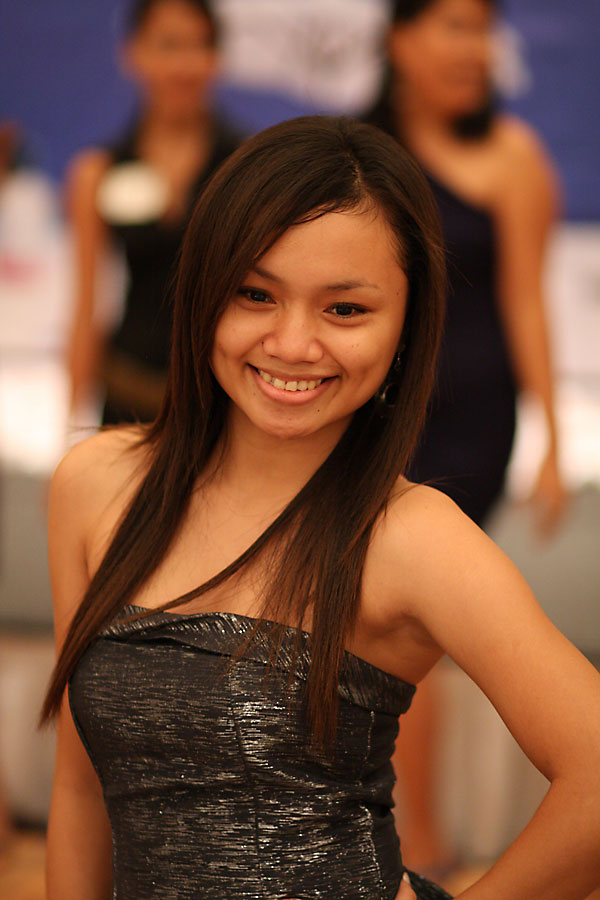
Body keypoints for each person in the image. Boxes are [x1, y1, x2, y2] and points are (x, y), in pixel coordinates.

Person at [41, 116, 600, 900]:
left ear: (406, 324)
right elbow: (80, 787)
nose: (293, 344)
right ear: (203, 292)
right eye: (255, 294)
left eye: (345, 310)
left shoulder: (411, 537)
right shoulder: (96, 484)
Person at [365, 0, 569, 872]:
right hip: (374, 410)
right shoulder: (360, 153)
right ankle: (383, 839)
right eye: (452, 25)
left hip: (472, 424)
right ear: (399, 40)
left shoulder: (514, 155)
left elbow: (527, 300)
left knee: (413, 622)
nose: (472, 46)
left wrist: (554, 434)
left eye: (482, 28)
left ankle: (421, 848)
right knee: (365, 616)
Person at [66, 0, 239, 424]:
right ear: (133, 53)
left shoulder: (248, 166)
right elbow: (86, 308)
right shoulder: (97, 172)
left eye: (201, 45)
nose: (185, 65)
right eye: (169, 45)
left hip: (219, 406)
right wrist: (69, 428)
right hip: (126, 397)